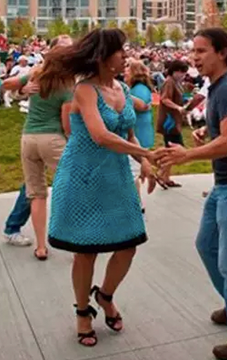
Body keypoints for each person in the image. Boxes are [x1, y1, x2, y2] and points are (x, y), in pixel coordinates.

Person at [157, 28, 227, 360]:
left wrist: (188, 155)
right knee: (206, 245)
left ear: (222, 53)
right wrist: (210, 131)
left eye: (201, 51)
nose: (194, 57)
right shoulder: (219, 87)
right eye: (193, 51)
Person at [43, 29, 156, 349]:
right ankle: (82, 311)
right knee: (86, 250)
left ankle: (105, 295)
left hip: (117, 178)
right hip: (83, 177)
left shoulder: (122, 88)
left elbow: (128, 133)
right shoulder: (84, 90)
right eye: (120, 51)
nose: (126, 55)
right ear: (103, 57)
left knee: (129, 244)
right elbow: (100, 136)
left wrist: (144, 161)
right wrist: (145, 153)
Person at [0, 35, 74, 258]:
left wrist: (24, 89)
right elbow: (67, 125)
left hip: (28, 138)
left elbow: (5, 84)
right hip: (53, 140)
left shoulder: (36, 73)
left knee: (36, 194)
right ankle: (74, 243)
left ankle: (41, 247)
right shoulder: (67, 84)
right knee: (71, 189)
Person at [126, 58, 156, 201]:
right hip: (138, 130)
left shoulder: (138, 88)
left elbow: (142, 105)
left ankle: (137, 204)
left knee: (133, 170)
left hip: (138, 130)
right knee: (134, 170)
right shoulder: (138, 87)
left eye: (127, 68)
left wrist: (121, 93)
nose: (125, 71)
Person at [156, 59, 189, 188]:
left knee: (170, 150)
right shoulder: (169, 82)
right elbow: (165, 99)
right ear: (174, 71)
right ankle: (160, 173)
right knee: (175, 150)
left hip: (173, 121)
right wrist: (178, 107)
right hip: (169, 122)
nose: (183, 75)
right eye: (181, 72)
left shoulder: (175, 82)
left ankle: (166, 177)